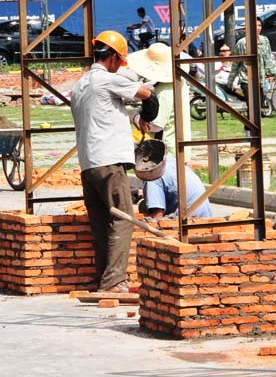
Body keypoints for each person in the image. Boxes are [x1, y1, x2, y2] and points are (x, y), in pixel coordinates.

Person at [70, 30, 158, 293]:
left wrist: (134, 118)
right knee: (123, 218)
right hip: (109, 162)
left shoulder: (80, 85)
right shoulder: (105, 80)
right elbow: (146, 95)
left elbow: (104, 113)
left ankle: (103, 277)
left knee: (100, 222)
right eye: (119, 62)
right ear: (112, 58)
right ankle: (114, 281)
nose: (119, 66)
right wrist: (147, 112)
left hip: (89, 163)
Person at [126, 42, 191, 157]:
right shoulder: (179, 83)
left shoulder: (164, 91)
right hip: (178, 148)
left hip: (167, 151)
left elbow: (155, 126)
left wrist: (135, 117)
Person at [139, 157, 212, 219]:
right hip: (205, 216)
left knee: (143, 206)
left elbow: (157, 216)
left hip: (188, 220)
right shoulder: (171, 161)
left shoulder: (152, 177)